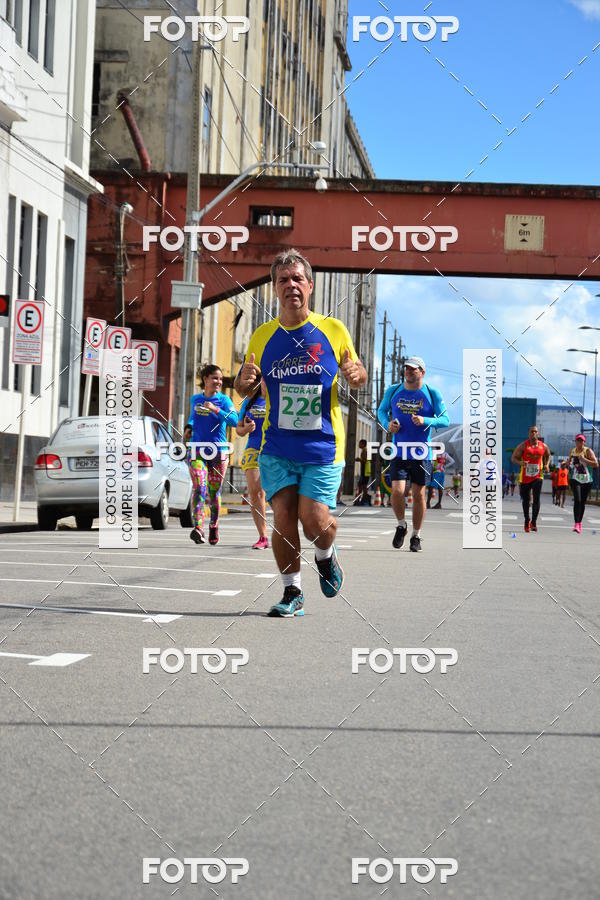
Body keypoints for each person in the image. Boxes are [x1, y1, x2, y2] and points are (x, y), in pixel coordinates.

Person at [234, 249, 367, 617]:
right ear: (274, 288)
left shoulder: (333, 329)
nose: (291, 285)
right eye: (283, 280)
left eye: (297, 279)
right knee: (283, 516)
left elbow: (356, 370)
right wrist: (242, 381)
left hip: (322, 445)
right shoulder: (262, 337)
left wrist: (357, 374)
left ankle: (325, 554)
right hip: (276, 445)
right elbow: (246, 387)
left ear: (310, 285)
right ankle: (292, 592)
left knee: (313, 520)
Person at [378, 357, 449, 552]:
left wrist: (426, 420)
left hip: (421, 453)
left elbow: (445, 419)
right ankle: (401, 525)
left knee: (419, 495)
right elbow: (382, 411)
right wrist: (387, 424)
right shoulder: (393, 390)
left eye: (413, 369)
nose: (408, 371)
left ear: (422, 372)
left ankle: (416, 536)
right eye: (406, 368)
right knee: (398, 492)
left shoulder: (431, 393)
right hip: (399, 451)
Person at [184, 364, 238, 545]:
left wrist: (216, 410)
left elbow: (234, 420)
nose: (218, 382)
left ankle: (213, 525)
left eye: (221, 379)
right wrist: (189, 427)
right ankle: (198, 527)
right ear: (205, 379)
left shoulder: (224, 400)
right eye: (215, 378)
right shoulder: (195, 399)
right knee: (200, 487)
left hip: (218, 451)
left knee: (213, 493)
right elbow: (193, 416)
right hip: (197, 449)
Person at [236, 380, 269, 549]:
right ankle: (263, 536)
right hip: (254, 450)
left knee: (279, 495)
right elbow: (239, 429)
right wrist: (247, 429)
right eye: (260, 380)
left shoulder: (278, 399)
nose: (263, 382)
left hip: (275, 451)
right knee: (256, 494)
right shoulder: (249, 403)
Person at [511, 425, 550, 532]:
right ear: (528, 433)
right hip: (525, 477)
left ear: (538, 434)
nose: (533, 433)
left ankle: (534, 522)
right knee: (526, 500)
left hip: (538, 476)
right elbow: (513, 458)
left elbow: (548, 455)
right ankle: (527, 520)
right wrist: (520, 462)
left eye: (535, 432)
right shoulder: (523, 446)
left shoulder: (543, 446)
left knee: (536, 498)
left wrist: (546, 465)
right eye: (532, 432)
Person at [568, 434, 598, 532]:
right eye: (578, 441)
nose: (579, 443)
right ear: (575, 442)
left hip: (587, 480)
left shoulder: (588, 451)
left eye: (581, 441)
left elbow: (596, 464)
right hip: (575, 478)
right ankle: (576, 524)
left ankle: (579, 523)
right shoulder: (572, 451)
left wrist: (584, 459)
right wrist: (566, 463)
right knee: (577, 500)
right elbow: (570, 462)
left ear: (584, 442)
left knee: (582, 502)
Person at [356, 438, 372, 505]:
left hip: (365, 471)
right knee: (361, 485)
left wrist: (359, 459)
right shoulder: (364, 450)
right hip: (365, 470)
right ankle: (362, 498)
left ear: (363, 444)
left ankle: (365, 499)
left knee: (363, 485)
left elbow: (365, 460)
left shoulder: (364, 450)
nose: (359, 444)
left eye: (360, 443)